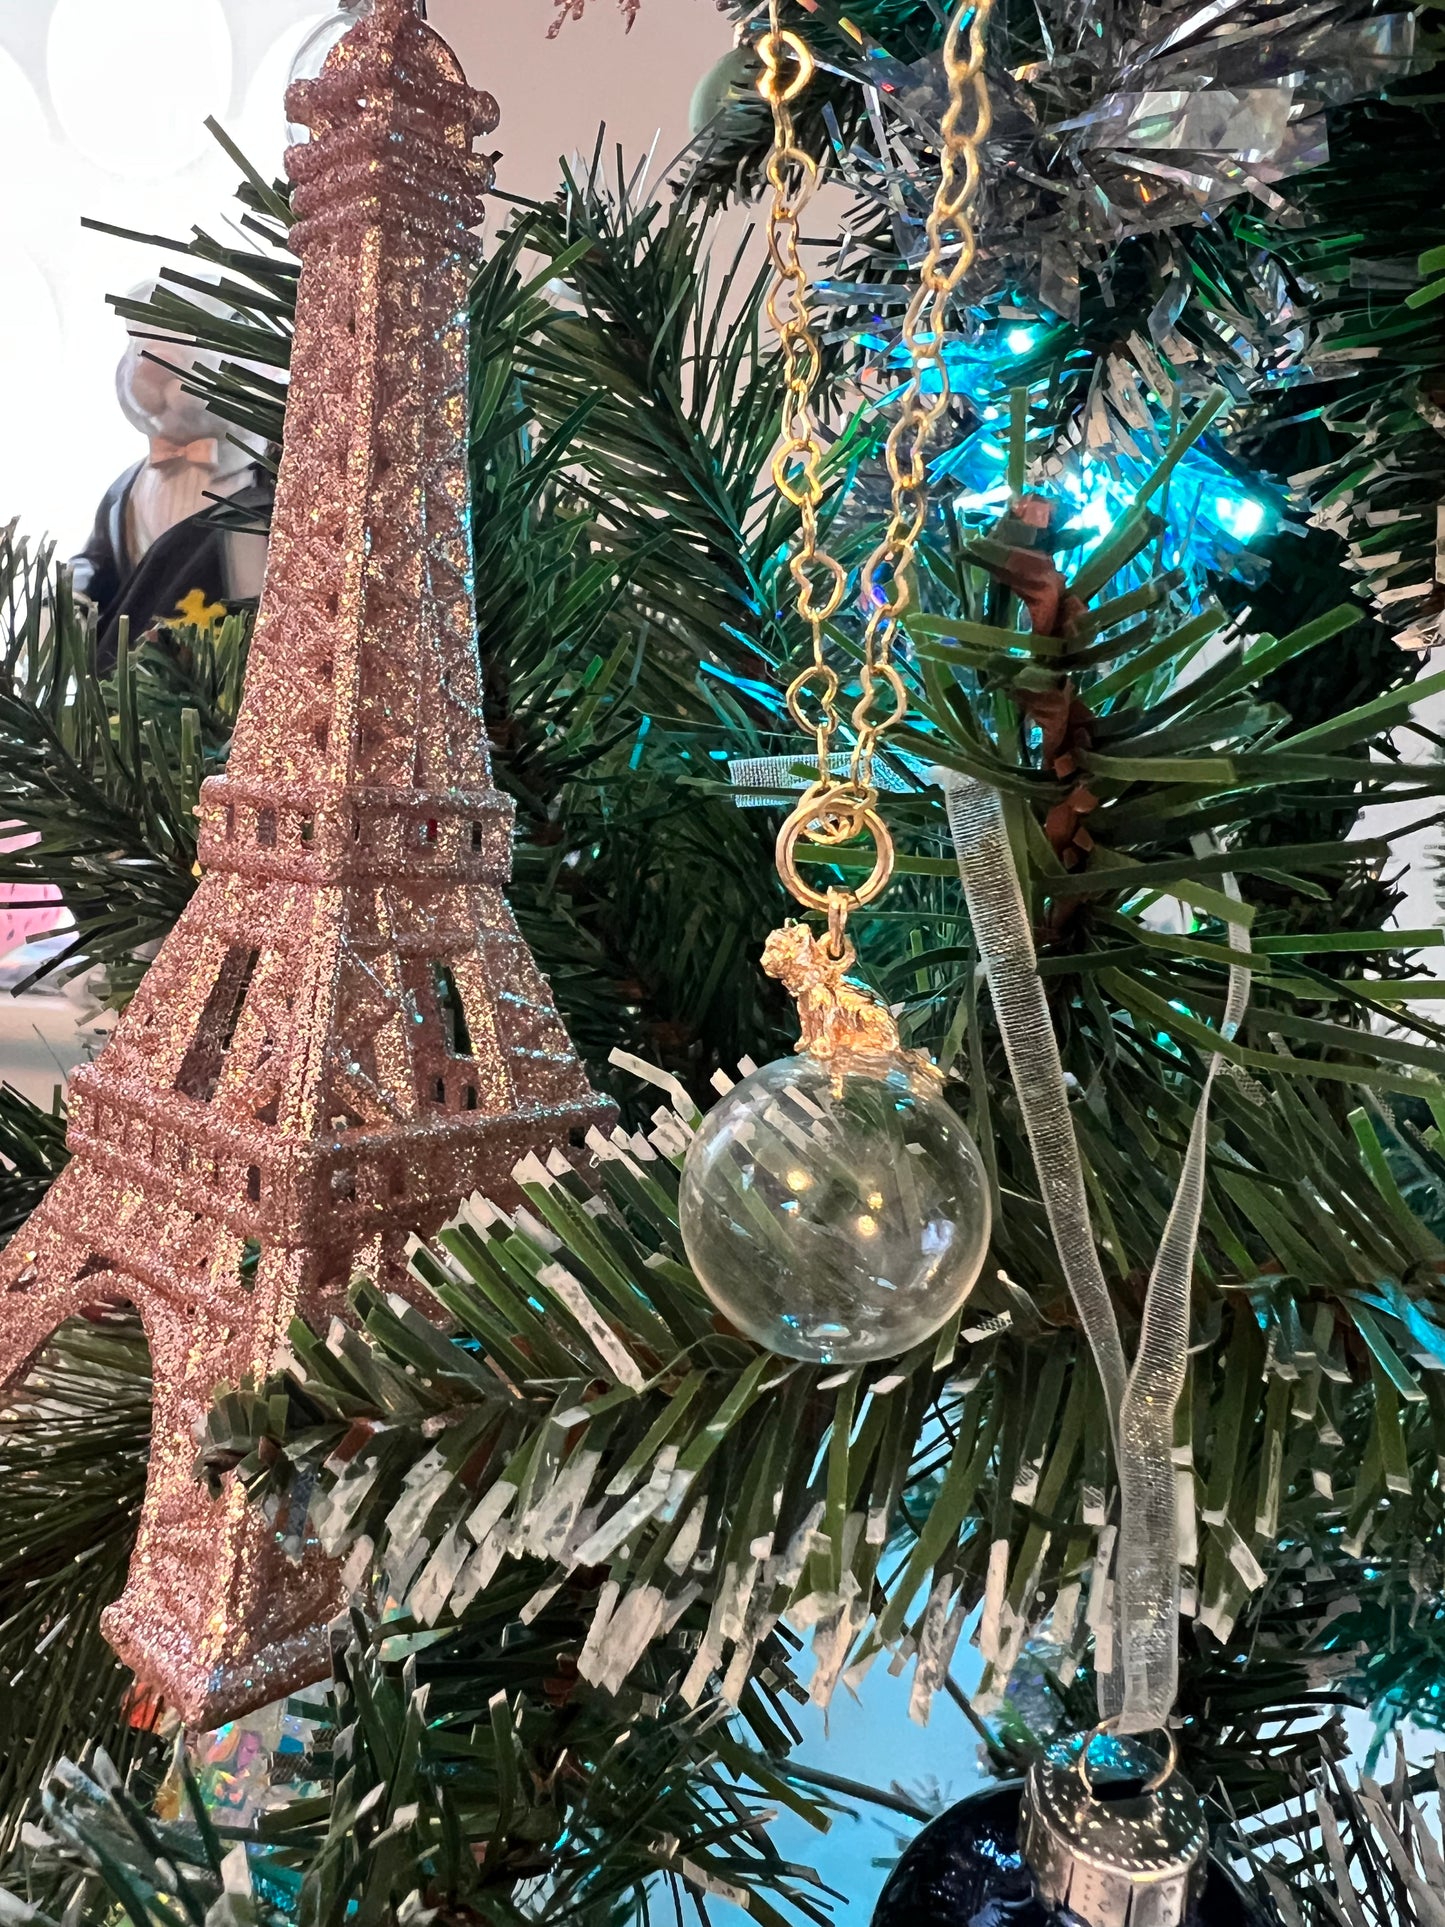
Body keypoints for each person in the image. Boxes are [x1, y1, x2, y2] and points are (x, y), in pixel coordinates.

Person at [70, 285, 272, 664]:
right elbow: (98, 561)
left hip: (220, 669)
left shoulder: (263, 484)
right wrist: (72, 598)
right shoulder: (128, 491)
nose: (151, 368)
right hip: (121, 680)